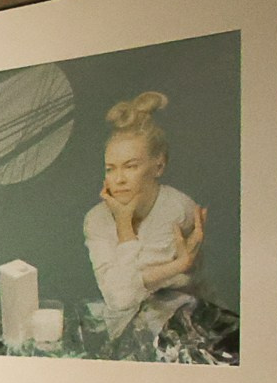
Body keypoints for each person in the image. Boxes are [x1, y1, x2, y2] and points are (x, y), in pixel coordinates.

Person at [83, 89, 209, 344]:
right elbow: (119, 298)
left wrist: (180, 271)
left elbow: (189, 277)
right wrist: (123, 225)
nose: (119, 179)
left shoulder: (178, 208)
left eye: (131, 166)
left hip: (177, 319)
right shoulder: (96, 220)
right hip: (119, 327)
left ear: (158, 166)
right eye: (111, 169)